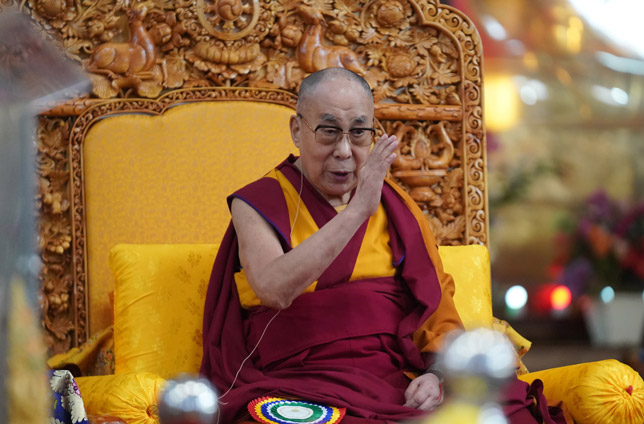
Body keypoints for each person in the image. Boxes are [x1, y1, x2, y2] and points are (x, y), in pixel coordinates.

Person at [200, 67, 563, 424]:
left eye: (359, 133)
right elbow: (273, 290)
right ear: (297, 130)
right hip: (300, 388)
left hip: (394, 385)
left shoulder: (397, 208)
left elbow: (438, 314)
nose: (344, 150)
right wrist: (357, 211)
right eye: (328, 132)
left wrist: (436, 376)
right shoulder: (257, 203)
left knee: (506, 412)